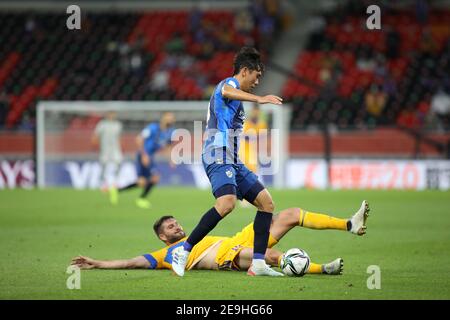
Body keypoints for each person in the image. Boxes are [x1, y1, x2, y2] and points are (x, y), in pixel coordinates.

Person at [171, 46, 284, 277]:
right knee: (227, 203)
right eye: (256, 75)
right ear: (244, 71)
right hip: (216, 152)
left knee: (267, 204)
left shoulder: (238, 102)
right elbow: (226, 92)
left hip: (232, 159)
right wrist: (259, 99)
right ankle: (184, 250)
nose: (257, 81)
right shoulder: (227, 85)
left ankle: (259, 263)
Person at [71, 201, 370, 275]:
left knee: (290, 213)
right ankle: (322, 269)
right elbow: (133, 261)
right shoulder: (169, 255)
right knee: (267, 257)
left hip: (238, 239)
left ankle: (349, 224)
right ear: (163, 237)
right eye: (170, 227)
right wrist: (98, 263)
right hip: (228, 257)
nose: (177, 227)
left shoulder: (197, 236)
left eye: (176, 222)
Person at [114, 112, 176, 209]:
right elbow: (139, 139)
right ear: (163, 118)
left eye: (172, 118)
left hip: (150, 156)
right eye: (169, 117)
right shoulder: (152, 128)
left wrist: (171, 159)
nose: (171, 119)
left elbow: (168, 147)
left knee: (141, 182)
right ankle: (141, 199)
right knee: (155, 177)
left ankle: (117, 191)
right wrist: (144, 154)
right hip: (143, 155)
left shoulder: (170, 132)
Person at [238, 103, 268, 208]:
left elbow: (262, 137)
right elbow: (243, 136)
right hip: (243, 151)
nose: (255, 113)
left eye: (257, 111)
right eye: (254, 111)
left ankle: (248, 197)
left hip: (253, 152)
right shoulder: (246, 123)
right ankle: (244, 198)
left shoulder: (261, 124)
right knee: (245, 175)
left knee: (252, 175)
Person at [91, 111, 123, 201]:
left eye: (113, 114)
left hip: (115, 150)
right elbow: (95, 136)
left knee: (119, 164)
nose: (112, 116)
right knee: (103, 167)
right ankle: (103, 185)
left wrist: (121, 146)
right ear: (107, 115)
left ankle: (115, 183)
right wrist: (95, 146)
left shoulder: (118, 125)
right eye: (110, 114)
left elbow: (119, 137)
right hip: (105, 150)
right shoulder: (102, 125)